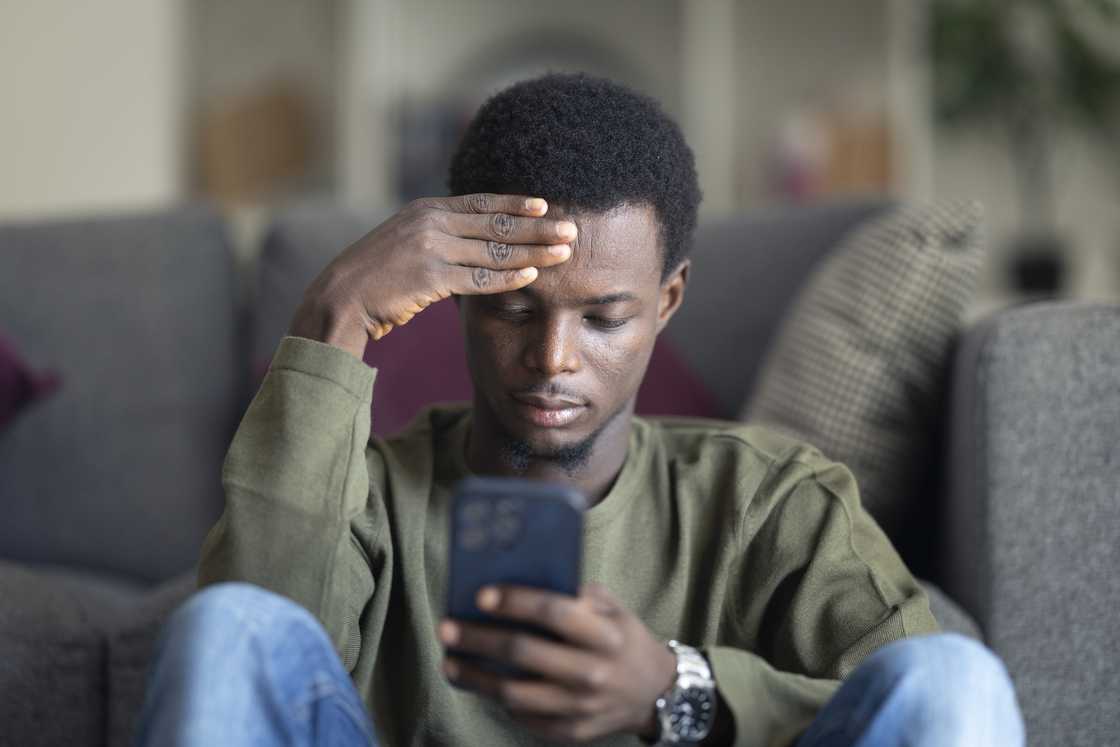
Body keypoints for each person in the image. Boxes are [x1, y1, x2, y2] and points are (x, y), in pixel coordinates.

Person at [136, 73, 1024, 746]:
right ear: (463, 300)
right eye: (515, 309)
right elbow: (246, 660)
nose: (552, 359)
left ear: (668, 301)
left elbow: (926, 700)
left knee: (954, 675)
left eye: (604, 317)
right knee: (224, 626)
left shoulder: (771, 501)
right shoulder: (366, 498)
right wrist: (336, 313)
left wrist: (677, 690)